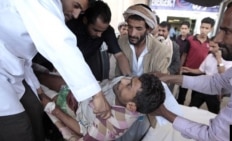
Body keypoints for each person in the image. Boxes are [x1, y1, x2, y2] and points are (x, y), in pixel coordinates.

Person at [0, 0, 111, 140]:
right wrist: (96, 94)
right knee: (18, 128)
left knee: (35, 108)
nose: (76, 15)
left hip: (13, 69)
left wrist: (37, 87)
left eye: (80, 11)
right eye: (76, 6)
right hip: (3, 71)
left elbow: (23, 57)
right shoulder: (41, 3)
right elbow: (61, 45)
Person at [152, 0, 232, 140]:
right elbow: (215, 83)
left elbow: (215, 136)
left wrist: (164, 113)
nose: (217, 39)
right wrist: (167, 77)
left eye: (227, 31)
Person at [36, 72, 165, 140]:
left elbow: (83, 131)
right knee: (41, 76)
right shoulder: (134, 91)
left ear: (131, 106)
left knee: (38, 90)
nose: (123, 80)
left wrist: (54, 109)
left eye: (129, 85)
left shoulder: (111, 126)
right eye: (131, 79)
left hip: (73, 106)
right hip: (83, 89)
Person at [181, 37, 232, 114]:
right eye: (209, 46)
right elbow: (201, 70)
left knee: (214, 113)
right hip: (203, 87)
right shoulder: (209, 56)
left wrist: (219, 59)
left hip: (215, 91)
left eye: (213, 47)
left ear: (221, 47)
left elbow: (223, 74)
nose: (210, 49)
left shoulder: (230, 60)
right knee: (192, 108)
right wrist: (189, 70)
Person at [116, 4, 172, 76]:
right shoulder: (121, 42)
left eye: (139, 28)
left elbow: (159, 82)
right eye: (130, 27)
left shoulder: (161, 51)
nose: (132, 34)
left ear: (148, 29)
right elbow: (117, 74)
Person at [177, 17, 215, 105]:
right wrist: (180, 68)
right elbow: (184, 54)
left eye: (206, 28)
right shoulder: (190, 40)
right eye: (202, 27)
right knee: (181, 96)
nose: (203, 30)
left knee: (195, 99)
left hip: (200, 74)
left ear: (211, 29)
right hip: (187, 71)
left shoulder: (210, 43)